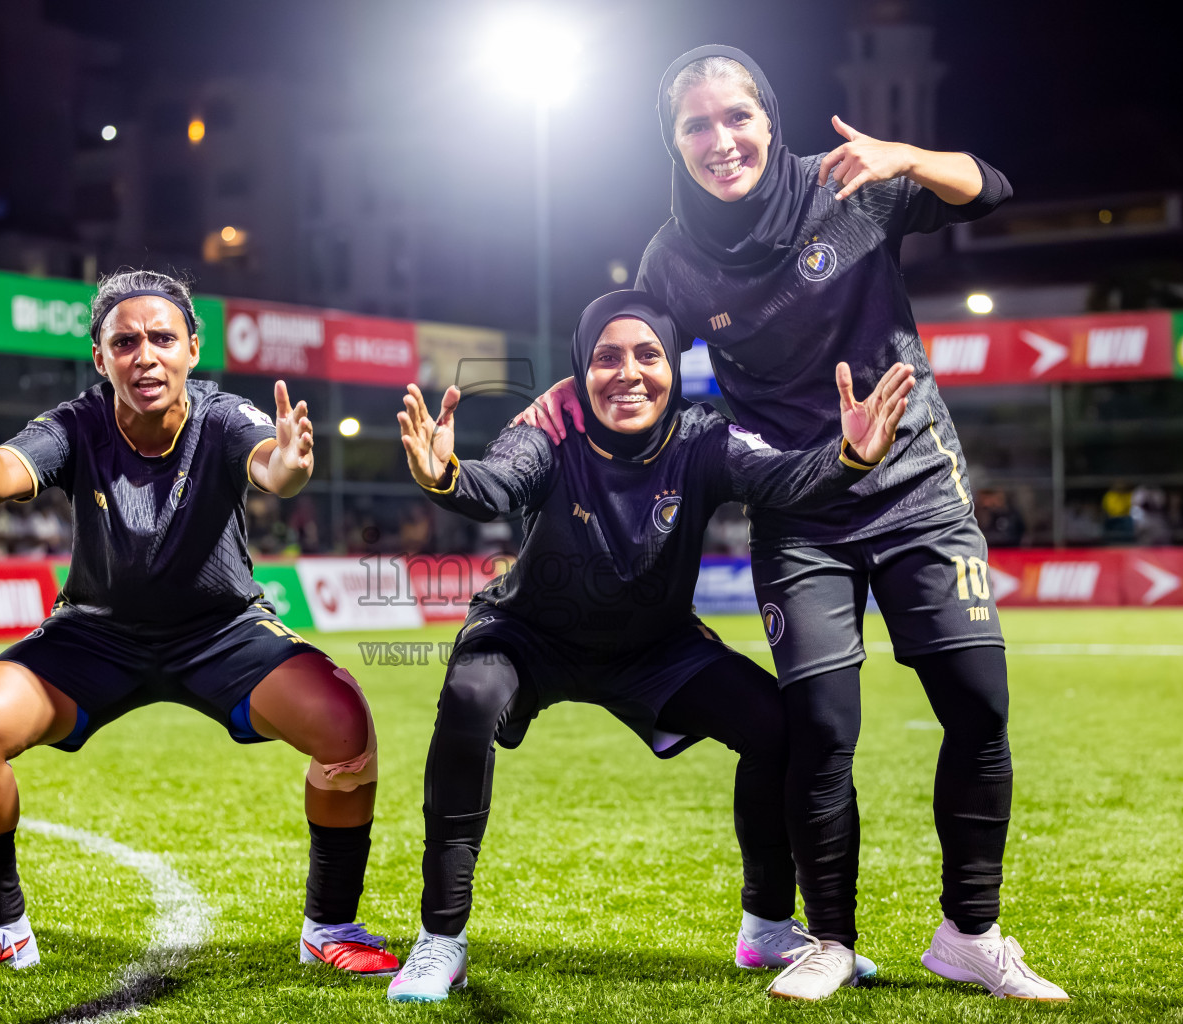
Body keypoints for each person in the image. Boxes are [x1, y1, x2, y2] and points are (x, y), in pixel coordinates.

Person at [517, 46, 1067, 1001]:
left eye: (737, 117)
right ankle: (831, 939)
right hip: (798, 510)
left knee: (977, 708)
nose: (720, 139)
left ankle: (971, 935)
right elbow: (637, 354)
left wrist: (907, 156)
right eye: (696, 125)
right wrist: (573, 386)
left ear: (770, 119)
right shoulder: (671, 257)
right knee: (819, 724)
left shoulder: (848, 185)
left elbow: (991, 188)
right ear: (674, 143)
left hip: (916, 490)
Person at [386, 290, 914, 1003]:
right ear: (582, 365)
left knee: (777, 726)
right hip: (530, 633)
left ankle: (765, 925)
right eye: (607, 356)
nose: (627, 373)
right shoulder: (553, 419)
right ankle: (439, 940)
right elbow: (499, 482)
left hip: (650, 646)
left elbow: (782, 478)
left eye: (647, 355)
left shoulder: (703, 436)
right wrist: (445, 475)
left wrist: (848, 456)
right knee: (469, 698)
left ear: (672, 365)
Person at [0, 270, 398, 979]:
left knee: (345, 722)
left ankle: (331, 926)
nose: (144, 355)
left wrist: (287, 464)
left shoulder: (221, 417)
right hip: (95, 636)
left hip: (220, 633)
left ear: (192, 347)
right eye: (124, 342)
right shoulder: (78, 422)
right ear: (101, 358)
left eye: (162, 338)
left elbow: (271, 465)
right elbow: (4, 472)